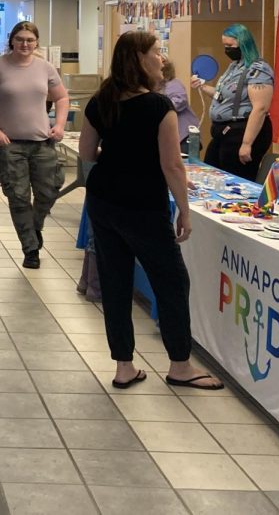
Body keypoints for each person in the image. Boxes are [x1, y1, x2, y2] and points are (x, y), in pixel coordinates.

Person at [80, 31, 223, 391]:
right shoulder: (158, 108)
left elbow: (86, 154)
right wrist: (185, 212)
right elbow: (172, 164)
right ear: (140, 60)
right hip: (143, 205)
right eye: (156, 52)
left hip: (104, 201)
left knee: (116, 282)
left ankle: (124, 366)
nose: (161, 58)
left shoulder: (100, 101)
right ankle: (180, 365)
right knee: (172, 281)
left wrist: (119, 158)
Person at [0, 21, 70, 269]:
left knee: (49, 190)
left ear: (36, 41)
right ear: (12, 40)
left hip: (42, 142)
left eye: (30, 39)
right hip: (9, 144)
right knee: (18, 197)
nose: (25, 44)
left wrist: (59, 125)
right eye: (20, 39)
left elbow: (61, 97)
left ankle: (33, 228)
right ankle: (30, 249)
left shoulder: (45, 68)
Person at [191, 23, 274, 181]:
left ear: (243, 44)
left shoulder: (258, 69)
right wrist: (202, 86)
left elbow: (260, 108)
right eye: (224, 45)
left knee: (235, 180)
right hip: (223, 132)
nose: (227, 50)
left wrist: (247, 143)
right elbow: (222, 96)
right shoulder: (234, 67)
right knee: (210, 172)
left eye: (230, 45)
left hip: (242, 131)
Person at [160, 60, 200, 153]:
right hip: (174, 137)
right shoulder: (159, 87)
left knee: (186, 165)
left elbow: (180, 101)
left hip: (185, 137)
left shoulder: (173, 84)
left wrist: (159, 107)